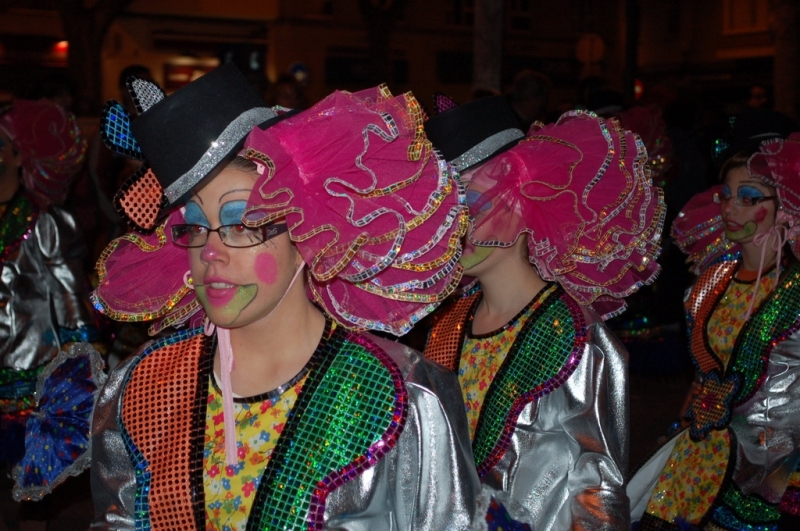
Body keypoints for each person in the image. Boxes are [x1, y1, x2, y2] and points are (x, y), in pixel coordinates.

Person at [89, 64, 480, 530]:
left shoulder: (405, 395)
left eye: (241, 225)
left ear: (306, 229)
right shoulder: (142, 388)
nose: (210, 252)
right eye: (194, 227)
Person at [424, 101, 666, 530]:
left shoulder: (577, 337)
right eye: (442, 210)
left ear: (524, 200)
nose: (452, 228)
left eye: (471, 206)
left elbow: (598, 488)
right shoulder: (447, 326)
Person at [628, 109, 800, 530]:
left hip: (775, 472)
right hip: (701, 459)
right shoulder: (710, 283)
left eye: (749, 198)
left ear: (784, 206)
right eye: (726, 194)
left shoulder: (795, 290)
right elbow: (703, 377)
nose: (730, 207)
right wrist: (680, 432)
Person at [0, 100, 97, 529]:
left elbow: (70, 293)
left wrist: (83, 356)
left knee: (32, 477)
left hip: (32, 367)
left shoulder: (45, 222)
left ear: (19, 155)